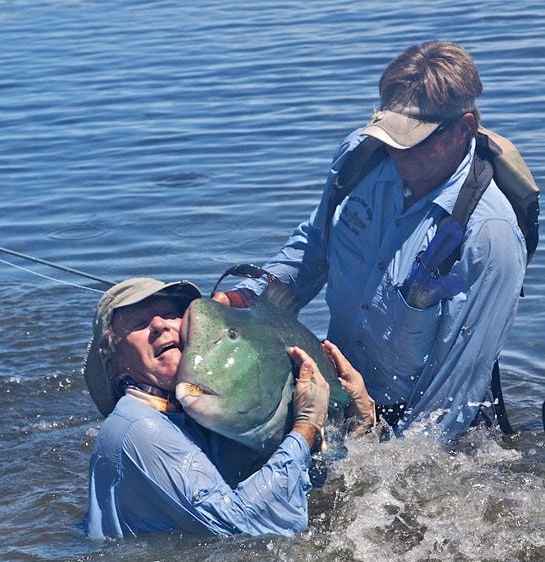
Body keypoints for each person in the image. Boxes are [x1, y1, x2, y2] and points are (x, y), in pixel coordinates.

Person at [214, 41, 527, 438]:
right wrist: (249, 296)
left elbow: (453, 395)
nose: (396, 151)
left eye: (413, 140)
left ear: (464, 128)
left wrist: (382, 460)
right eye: (389, 134)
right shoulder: (359, 157)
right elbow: (314, 246)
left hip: (423, 419)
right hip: (341, 392)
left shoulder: (489, 236)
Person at [82, 277, 372, 539]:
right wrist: (305, 427)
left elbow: (310, 477)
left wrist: (359, 421)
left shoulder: (191, 417)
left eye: (171, 314)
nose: (159, 325)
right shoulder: (139, 428)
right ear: (118, 365)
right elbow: (237, 527)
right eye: (138, 323)